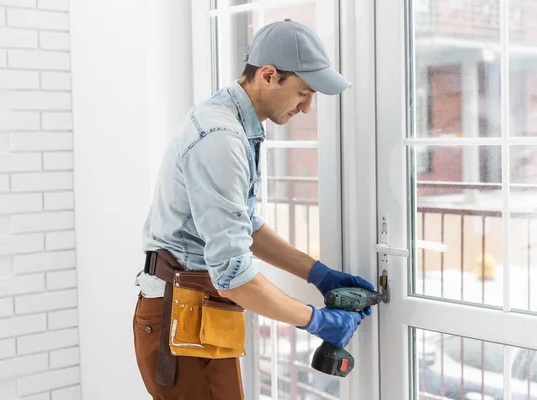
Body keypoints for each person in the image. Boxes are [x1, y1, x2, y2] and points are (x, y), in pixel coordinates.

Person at [133, 18, 374, 400]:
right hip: (179, 318)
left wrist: (319, 274)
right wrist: (317, 321)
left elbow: (243, 225)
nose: (308, 108)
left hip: (198, 310)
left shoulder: (236, 124)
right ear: (268, 74)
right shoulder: (221, 138)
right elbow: (234, 274)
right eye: (303, 92)